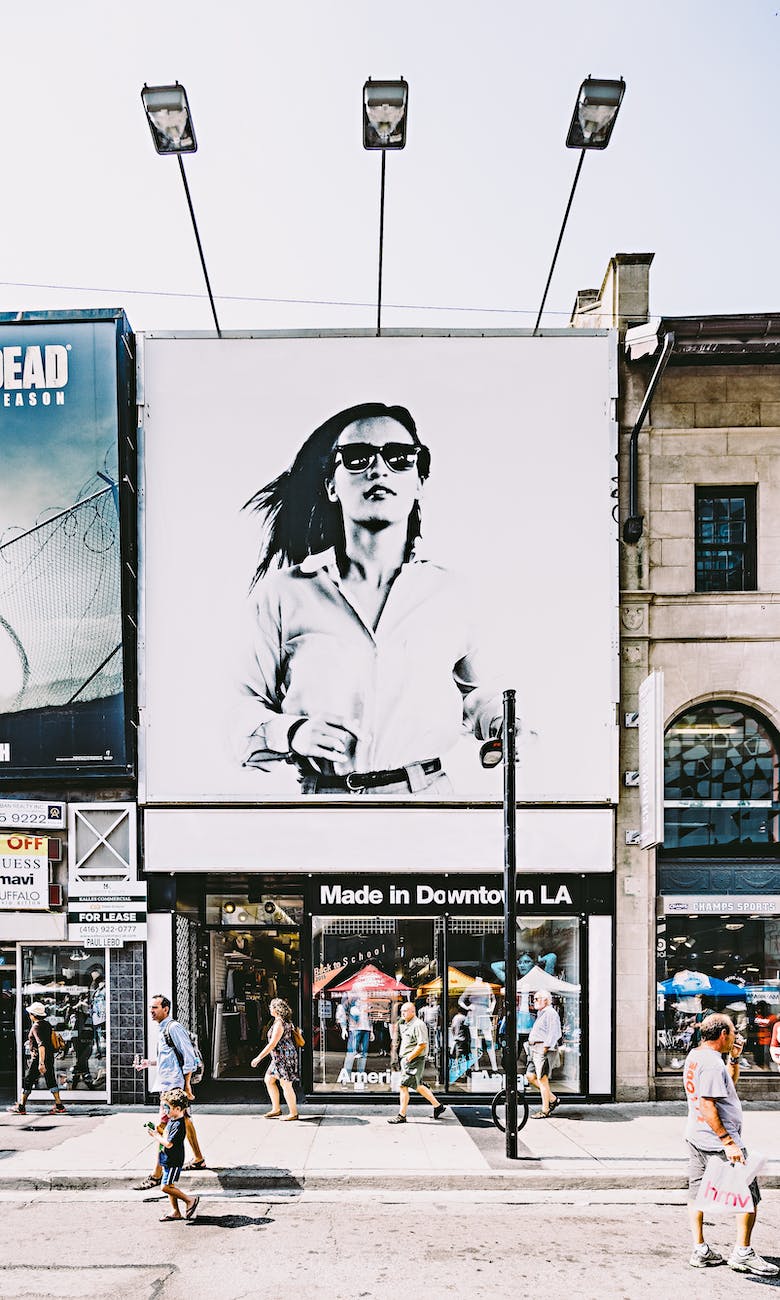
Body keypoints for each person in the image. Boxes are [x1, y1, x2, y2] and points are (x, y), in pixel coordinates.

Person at [237, 402, 504, 797]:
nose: (379, 469)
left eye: (399, 457)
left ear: (418, 483)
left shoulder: (452, 594)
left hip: (428, 809)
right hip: (324, 811)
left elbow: (475, 694)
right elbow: (235, 710)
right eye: (358, 457)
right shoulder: (283, 593)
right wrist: (292, 732)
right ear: (332, 485)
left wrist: (498, 719)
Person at [683, 1012, 778, 1275]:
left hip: (697, 1135)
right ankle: (743, 1252)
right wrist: (729, 1142)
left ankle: (700, 1249)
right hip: (718, 1140)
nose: (737, 1035)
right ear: (723, 1035)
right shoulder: (711, 1065)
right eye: (733, 1032)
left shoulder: (698, 1056)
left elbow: (728, 1087)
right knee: (748, 1195)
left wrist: (733, 1058)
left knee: (696, 1192)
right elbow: (708, 1103)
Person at [133, 995, 207, 1191]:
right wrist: (149, 1063)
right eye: (151, 1007)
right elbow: (169, 1058)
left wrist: (187, 1085)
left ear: (166, 1009)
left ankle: (157, 1175)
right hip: (170, 1085)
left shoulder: (173, 1028)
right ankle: (199, 1159)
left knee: (163, 1129)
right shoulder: (162, 1029)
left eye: (155, 1007)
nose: (151, 1011)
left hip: (173, 1089)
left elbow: (189, 1057)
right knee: (186, 1122)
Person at [387, 1000, 446, 1124]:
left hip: (413, 1060)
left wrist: (410, 1057)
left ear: (413, 1012)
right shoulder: (405, 1023)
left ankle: (401, 1115)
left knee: (403, 1086)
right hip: (407, 1060)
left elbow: (422, 1044)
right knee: (418, 1085)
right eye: (402, 1011)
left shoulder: (418, 1025)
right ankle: (438, 1106)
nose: (402, 1013)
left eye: (405, 1011)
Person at [8, 1001, 66, 1115]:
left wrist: (41, 1063)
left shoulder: (36, 1026)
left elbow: (41, 1045)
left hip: (39, 1058)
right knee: (51, 1080)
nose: (29, 1015)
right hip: (49, 1057)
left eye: (30, 1013)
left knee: (28, 1081)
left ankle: (21, 1106)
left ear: (34, 1015)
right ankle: (59, 1105)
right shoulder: (47, 1024)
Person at [151, 1089, 200, 1223]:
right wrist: (158, 1132)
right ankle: (175, 1211)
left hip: (173, 1161)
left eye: (167, 1107)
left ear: (178, 1108)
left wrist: (156, 1137)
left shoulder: (178, 1124)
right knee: (170, 1186)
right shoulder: (173, 1120)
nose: (164, 1110)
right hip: (167, 1159)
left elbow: (169, 1144)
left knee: (165, 1187)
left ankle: (190, 1200)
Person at [251, 997, 300, 1120]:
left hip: (283, 1057)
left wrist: (258, 1058)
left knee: (286, 1084)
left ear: (276, 1009)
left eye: (271, 1007)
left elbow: (272, 1043)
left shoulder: (279, 1023)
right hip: (279, 1057)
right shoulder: (284, 1021)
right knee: (269, 1080)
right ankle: (276, 1109)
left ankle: (293, 1113)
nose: (269, 1009)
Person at [525, 990, 562, 1118]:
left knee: (542, 1079)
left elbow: (554, 1032)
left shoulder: (550, 1013)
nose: (534, 1001)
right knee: (530, 1076)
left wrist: (545, 1048)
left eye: (536, 999)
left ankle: (545, 1110)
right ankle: (552, 1099)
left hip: (542, 1049)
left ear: (545, 1000)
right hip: (535, 1049)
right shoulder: (542, 1013)